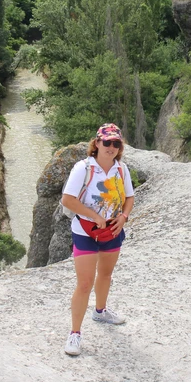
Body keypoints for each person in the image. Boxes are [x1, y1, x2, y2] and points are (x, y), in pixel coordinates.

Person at [60, 123, 135, 357]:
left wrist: (123, 217)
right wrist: (94, 216)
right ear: (97, 144)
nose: (111, 147)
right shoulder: (83, 168)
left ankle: (100, 311)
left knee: (105, 274)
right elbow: (68, 200)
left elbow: (130, 197)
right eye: (107, 142)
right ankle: (75, 333)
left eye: (116, 143)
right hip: (85, 231)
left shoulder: (121, 170)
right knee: (84, 283)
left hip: (112, 230)